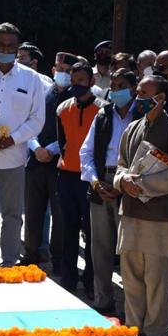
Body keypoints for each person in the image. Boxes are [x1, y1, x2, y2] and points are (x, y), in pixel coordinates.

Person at [113, 75, 168, 336]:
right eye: (138, 92)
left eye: (144, 93)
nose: (138, 97)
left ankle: (156, 331)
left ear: (160, 98)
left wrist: (142, 186)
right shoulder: (131, 128)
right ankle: (134, 327)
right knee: (131, 278)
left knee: (156, 280)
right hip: (130, 214)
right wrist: (122, 181)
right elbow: (120, 164)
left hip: (159, 219)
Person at [0, 22, 46, 268]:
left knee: (13, 214)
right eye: (1, 45)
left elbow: (37, 119)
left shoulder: (32, 78)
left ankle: (9, 261)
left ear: (18, 48)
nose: (6, 49)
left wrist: (12, 138)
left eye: (11, 46)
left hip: (14, 157)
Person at [80, 68, 137, 313]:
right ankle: (103, 301)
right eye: (112, 85)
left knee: (129, 250)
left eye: (121, 85)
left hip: (132, 185)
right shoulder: (102, 114)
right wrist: (94, 182)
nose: (115, 90)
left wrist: (123, 184)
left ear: (133, 88)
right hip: (102, 182)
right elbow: (87, 152)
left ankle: (131, 307)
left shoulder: (143, 115)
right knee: (100, 247)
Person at [21, 52, 75, 270]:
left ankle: (59, 258)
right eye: (59, 69)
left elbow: (72, 134)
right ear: (53, 70)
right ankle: (31, 253)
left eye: (67, 71)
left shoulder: (74, 98)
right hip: (35, 161)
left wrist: (51, 150)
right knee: (32, 211)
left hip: (59, 163)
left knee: (59, 214)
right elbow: (29, 120)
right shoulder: (43, 91)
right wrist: (36, 148)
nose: (61, 73)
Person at [56, 62, 101, 300]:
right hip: (67, 175)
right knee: (68, 228)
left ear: (91, 82)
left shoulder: (103, 109)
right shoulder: (63, 108)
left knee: (92, 231)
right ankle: (68, 277)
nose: (76, 86)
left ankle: (92, 280)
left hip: (89, 178)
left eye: (81, 81)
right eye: (73, 81)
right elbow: (62, 140)